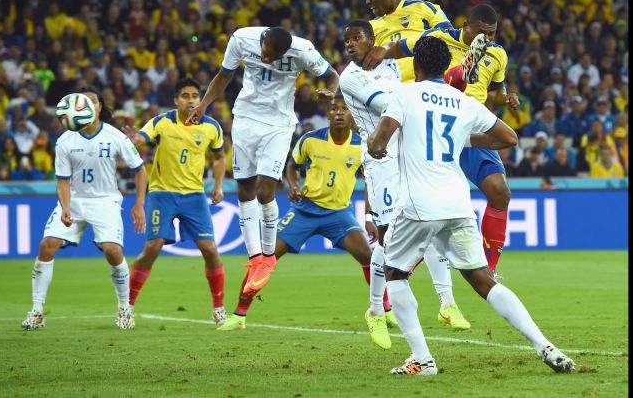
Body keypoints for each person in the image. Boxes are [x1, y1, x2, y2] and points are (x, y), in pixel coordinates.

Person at [367, 36, 575, 376]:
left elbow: (379, 141)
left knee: (394, 273)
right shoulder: (462, 102)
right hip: (458, 203)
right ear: (443, 66)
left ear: (416, 66)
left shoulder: (404, 94)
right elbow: (509, 137)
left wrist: (378, 149)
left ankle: (423, 359)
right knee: (482, 280)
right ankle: (545, 345)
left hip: (419, 204)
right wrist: (466, 138)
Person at [364, 4, 520, 280]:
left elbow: (496, 88)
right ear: (466, 26)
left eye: (493, 34)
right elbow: (404, 47)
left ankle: (490, 268)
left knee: (500, 192)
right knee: (425, 205)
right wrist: (382, 51)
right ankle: (399, 265)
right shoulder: (439, 38)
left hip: (469, 129)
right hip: (434, 127)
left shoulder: (497, 54)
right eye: (482, 33)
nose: (488, 39)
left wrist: (507, 96)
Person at [338, 19, 471, 338]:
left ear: (372, 40)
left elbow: (424, 46)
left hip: (408, 154)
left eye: (356, 38)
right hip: (379, 158)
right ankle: (374, 311)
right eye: (347, 41)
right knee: (387, 238)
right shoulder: (351, 76)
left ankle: (447, 303)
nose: (350, 44)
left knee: (434, 222)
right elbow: (388, 106)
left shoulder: (393, 65)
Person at [186, 26, 339, 297]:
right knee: (245, 191)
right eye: (266, 54)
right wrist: (204, 105)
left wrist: (330, 92)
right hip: (245, 119)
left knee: (265, 190)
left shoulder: (303, 50)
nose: (268, 60)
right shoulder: (241, 38)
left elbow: (331, 76)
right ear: (262, 40)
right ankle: (255, 257)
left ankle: (268, 256)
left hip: (278, 125)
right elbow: (224, 74)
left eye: (275, 57)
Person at [217, 96, 388, 338]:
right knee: (265, 258)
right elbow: (292, 166)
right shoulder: (310, 140)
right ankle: (239, 314)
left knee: (369, 257)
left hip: (339, 213)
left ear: (352, 115)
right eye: (333, 109)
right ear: (327, 115)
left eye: (344, 109)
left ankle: (386, 309)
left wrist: (369, 216)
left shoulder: (361, 146)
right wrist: (292, 186)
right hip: (305, 210)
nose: (339, 113)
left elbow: (371, 181)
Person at [21, 87, 147, 331]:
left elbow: (140, 170)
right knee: (47, 246)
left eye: (92, 101)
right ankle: (36, 311)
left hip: (105, 200)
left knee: (112, 250)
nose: (87, 105)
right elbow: (62, 181)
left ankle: (124, 307)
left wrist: (139, 204)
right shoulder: (65, 140)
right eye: (82, 101)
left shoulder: (115, 136)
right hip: (75, 199)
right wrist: (65, 207)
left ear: (100, 107)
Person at [121, 78, 228, 326]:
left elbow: (219, 158)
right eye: (185, 96)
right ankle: (127, 306)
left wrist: (219, 185)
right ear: (175, 100)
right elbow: (141, 137)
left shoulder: (212, 127)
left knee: (210, 250)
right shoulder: (163, 121)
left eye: (195, 96)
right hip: (162, 194)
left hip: (194, 196)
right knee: (153, 248)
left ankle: (219, 309)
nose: (191, 100)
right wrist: (132, 139)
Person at [362, 0, 452, 84]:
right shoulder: (370, 27)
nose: (367, 2)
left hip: (430, 84)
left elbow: (449, 38)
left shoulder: (424, 8)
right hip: (392, 92)